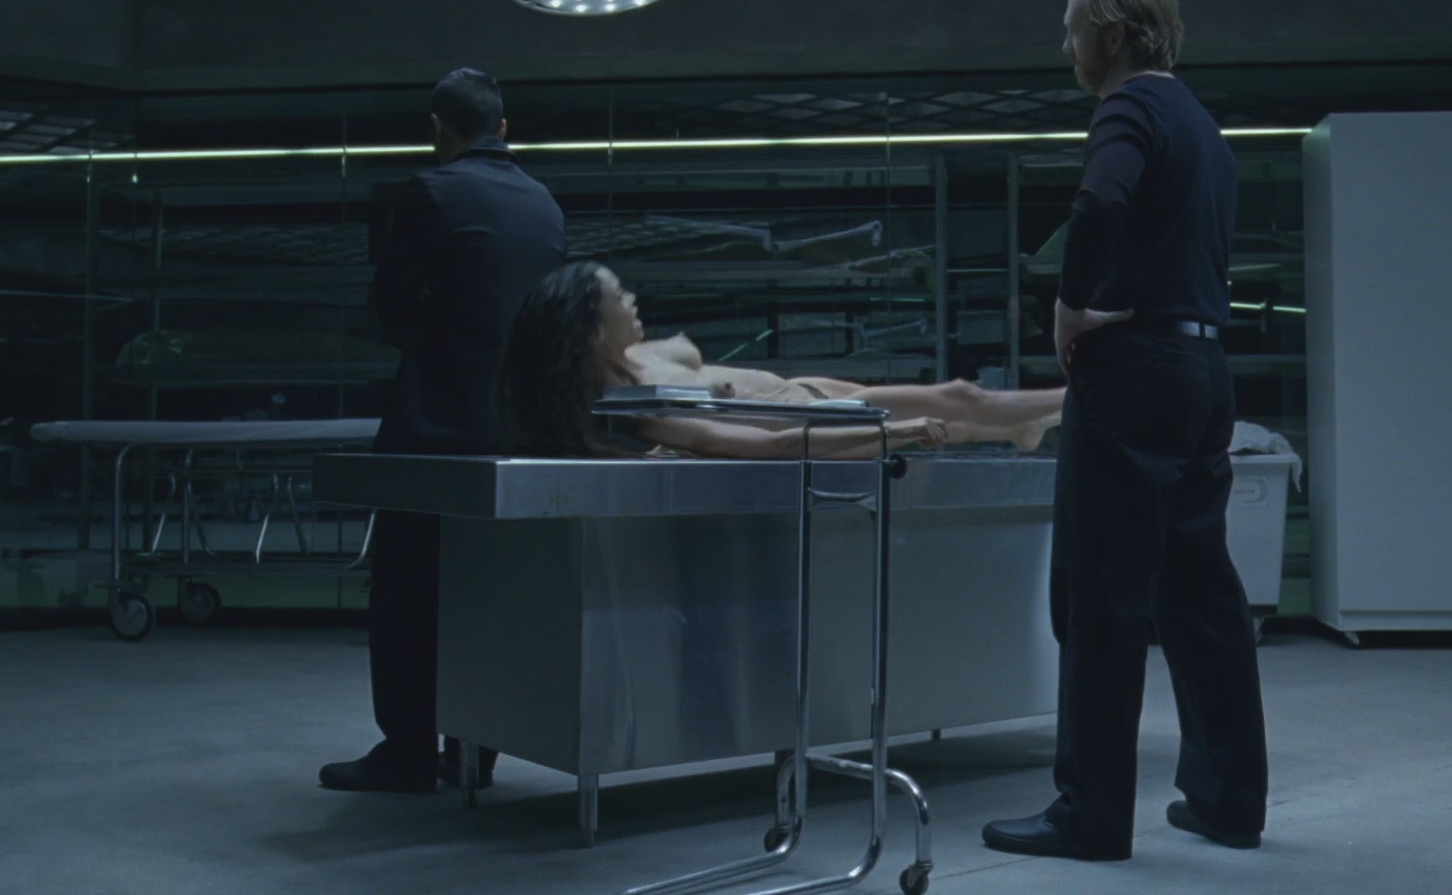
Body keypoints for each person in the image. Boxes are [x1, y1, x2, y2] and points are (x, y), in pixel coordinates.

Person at [981, 0, 1269, 862]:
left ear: (1110, 35)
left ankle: (1092, 814)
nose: (1065, 46)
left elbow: (1100, 199)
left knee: (1100, 593)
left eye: (1073, 29)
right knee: (1200, 591)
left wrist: (1071, 306)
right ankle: (1229, 799)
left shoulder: (1129, 107)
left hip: (1134, 370)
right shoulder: (1202, 126)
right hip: (1202, 370)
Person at [318, 70, 566, 794]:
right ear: (504, 128)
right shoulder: (544, 203)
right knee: (486, 593)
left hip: (436, 428)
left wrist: (434, 301)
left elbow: (390, 307)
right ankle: (475, 750)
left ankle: (406, 751)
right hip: (516, 428)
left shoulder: (432, 192)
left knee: (408, 590)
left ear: (437, 128)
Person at [495, 261, 1066, 459]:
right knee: (961, 401)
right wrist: (894, 430)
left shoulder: (637, 360)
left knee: (959, 412)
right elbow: (774, 446)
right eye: (618, 297)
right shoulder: (644, 411)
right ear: (595, 333)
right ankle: (1083, 394)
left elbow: (685, 352)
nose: (632, 299)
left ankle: (1022, 425)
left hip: (806, 391)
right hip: (819, 425)